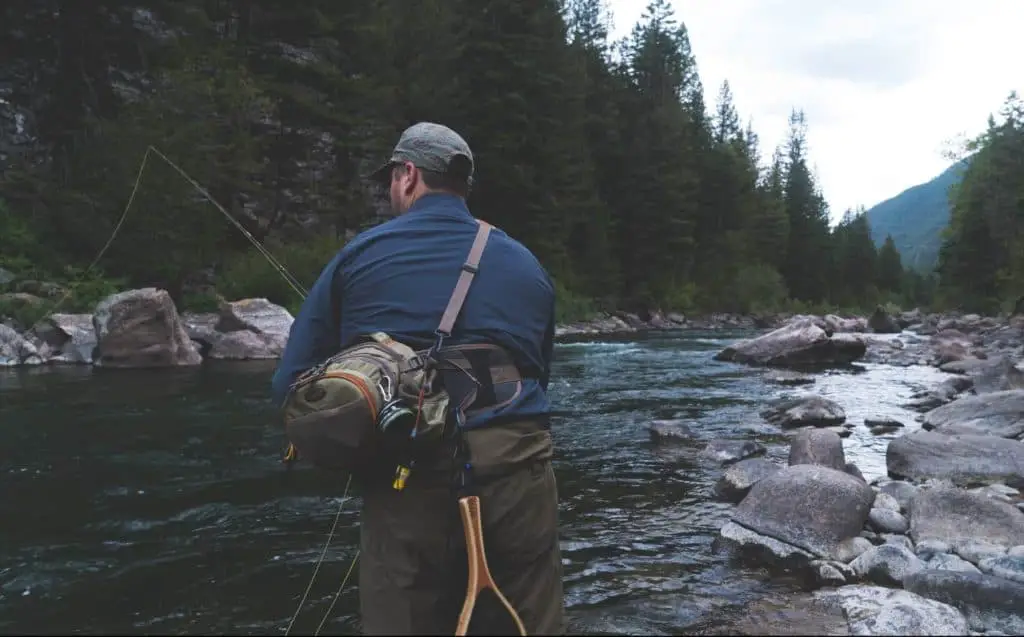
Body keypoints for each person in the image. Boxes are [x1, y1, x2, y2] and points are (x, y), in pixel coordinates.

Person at [271, 122, 565, 636]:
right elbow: (540, 372)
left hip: (405, 471)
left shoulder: (358, 256)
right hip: (516, 469)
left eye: (391, 178)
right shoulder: (526, 265)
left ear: (408, 176)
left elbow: (290, 386)